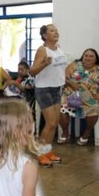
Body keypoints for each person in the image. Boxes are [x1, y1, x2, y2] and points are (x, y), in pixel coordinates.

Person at [29, 24, 68, 167]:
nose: (56, 32)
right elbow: (32, 72)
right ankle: (40, 154)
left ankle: (47, 152)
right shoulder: (42, 50)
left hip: (57, 88)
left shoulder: (59, 48)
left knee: (54, 123)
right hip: (44, 89)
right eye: (52, 31)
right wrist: (45, 64)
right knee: (50, 123)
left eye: (56, 30)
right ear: (45, 36)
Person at [59, 48, 99, 145]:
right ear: (83, 57)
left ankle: (86, 133)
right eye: (86, 56)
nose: (88, 58)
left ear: (95, 59)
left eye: (91, 56)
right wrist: (73, 85)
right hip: (72, 93)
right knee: (62, 109)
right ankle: (65, 132)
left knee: (94, 109)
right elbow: (65, 77)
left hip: (90, 96)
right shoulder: (75, 65)